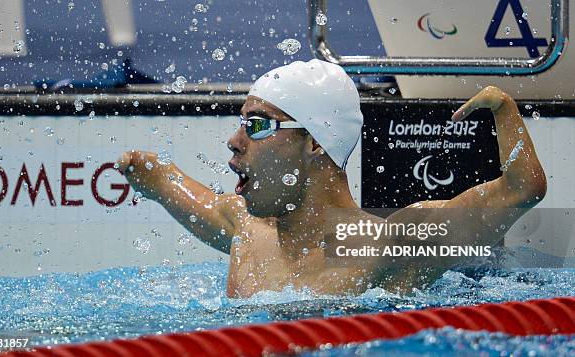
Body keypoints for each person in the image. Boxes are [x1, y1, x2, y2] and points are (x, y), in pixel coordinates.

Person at [117, 59, 546, 298]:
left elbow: (522, 189)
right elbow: (180, 190)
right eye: (240, 124)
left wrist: (504, 109)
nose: (233, 141)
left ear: (316, 142)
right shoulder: (245, 230)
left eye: (258, 125)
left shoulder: (389, 247)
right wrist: (149, 172)